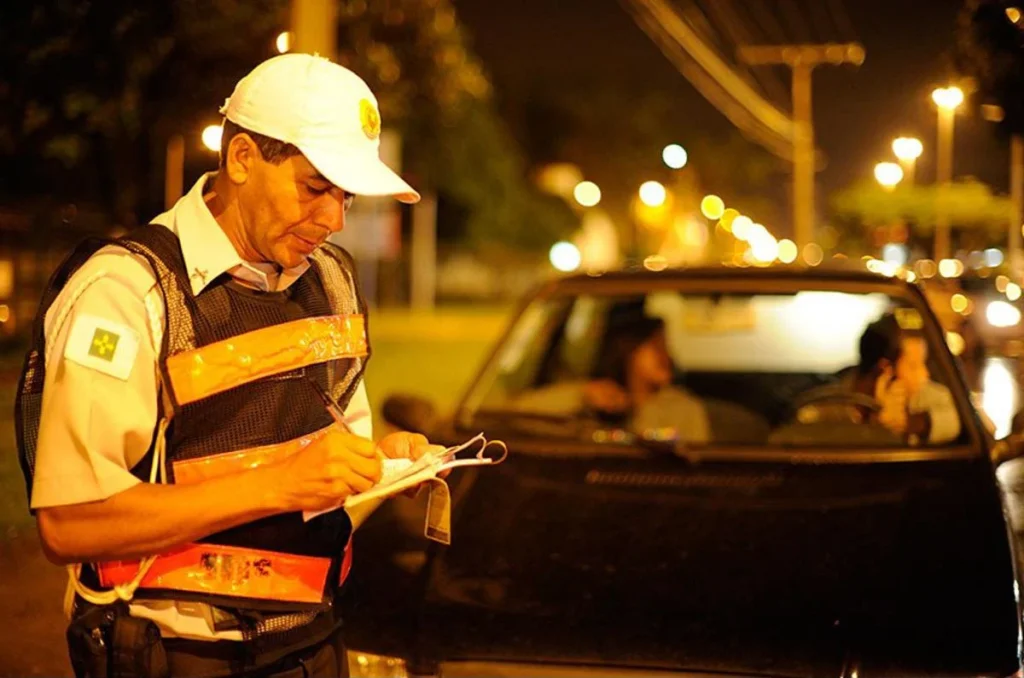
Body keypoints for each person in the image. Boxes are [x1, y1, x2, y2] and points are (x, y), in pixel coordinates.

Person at [15, 53, 441, 677]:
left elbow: (322, 472)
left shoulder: (334, 282)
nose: (334, 220)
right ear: (241, 158)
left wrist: (378, 467)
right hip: (177, 654)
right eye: (315, 187)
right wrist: (285, 482)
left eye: (346, 195)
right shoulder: (126, 292)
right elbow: (70, 524)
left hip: (314, 638)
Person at [513, 315, 711, 443]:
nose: (666, 355)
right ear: (627, 352)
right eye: (657, 347)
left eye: (666, 347)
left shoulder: (684, 408)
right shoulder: (592, 405)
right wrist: (582, 395)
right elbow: (517, 414)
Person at [850, 313, 961, 444]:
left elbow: (961, 419)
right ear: (886, 369)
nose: (925, 374)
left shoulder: (928, 395)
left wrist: (910, 422)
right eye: (913, 366)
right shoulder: (835, 400)